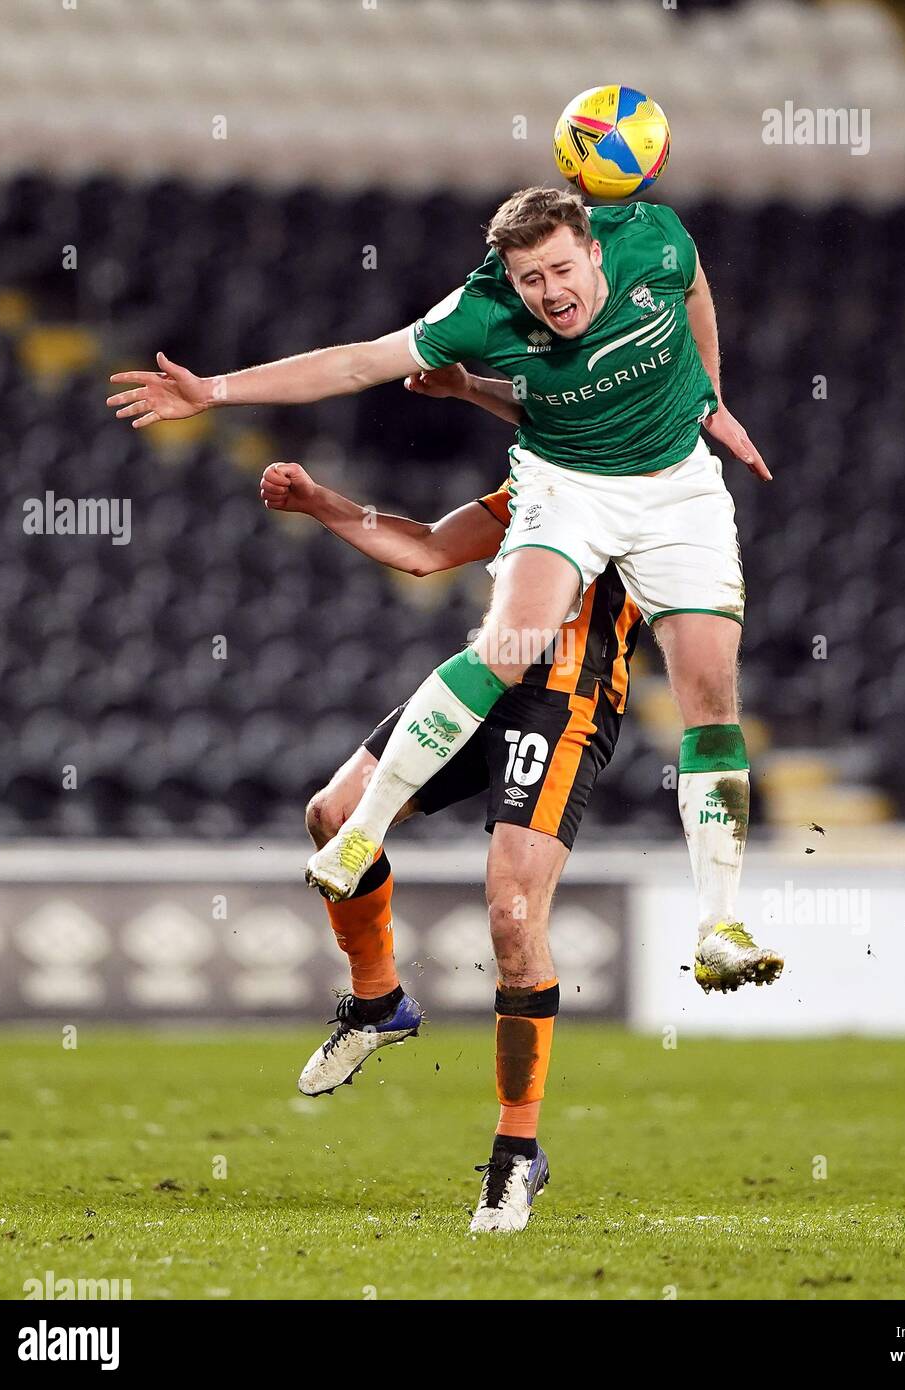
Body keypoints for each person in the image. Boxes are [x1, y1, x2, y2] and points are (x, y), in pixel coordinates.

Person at [106, 185, 781, 1002]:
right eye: (529, 279)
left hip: (678, 489)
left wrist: (709, 393)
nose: (550, 292)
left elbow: (696, 284)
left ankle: (718, 928)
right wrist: (212, 391)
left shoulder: (655, 242)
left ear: (595, 252)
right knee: (512, 640)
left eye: (561, 269)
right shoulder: (481, 310)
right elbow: (355, 364)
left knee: (710, 696)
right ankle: (361, 833)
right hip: (566, 486)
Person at [260, 364, 642, 1231]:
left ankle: (517, 1154)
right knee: (332, 812)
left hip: (565, 703)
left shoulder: (643, 486)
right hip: (480, 686)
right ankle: (378, 1004)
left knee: (511, 916)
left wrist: (470, 383)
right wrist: (324, 503)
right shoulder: (531, 487)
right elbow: (429, 547)